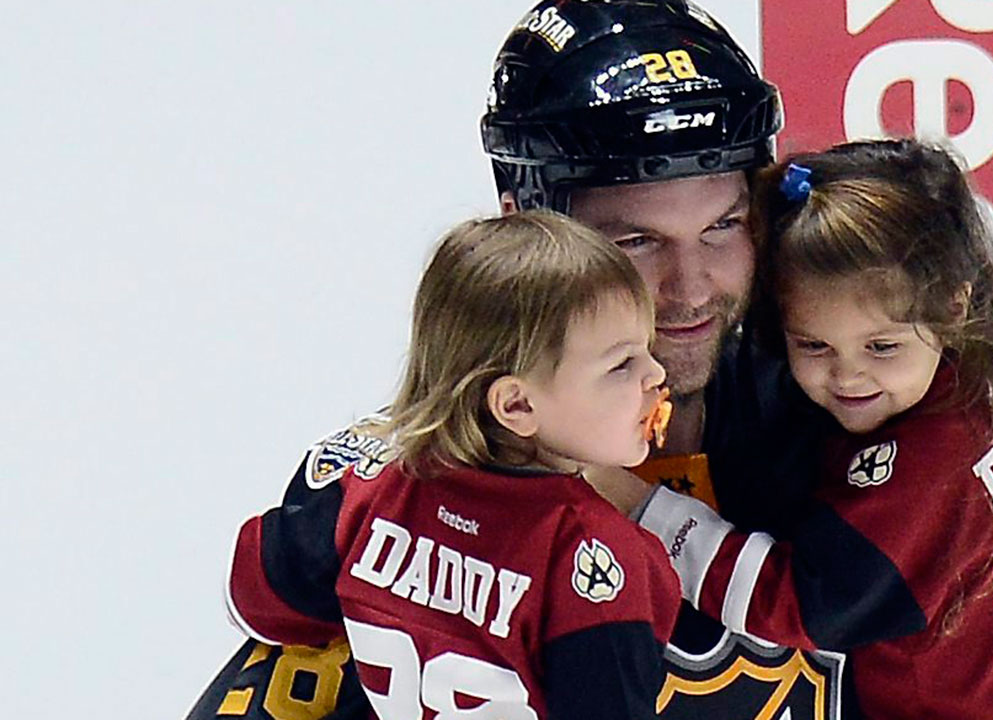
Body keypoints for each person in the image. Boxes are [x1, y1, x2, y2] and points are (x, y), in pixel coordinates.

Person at [185, 2, 842, 719]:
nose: (690, 291)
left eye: (722, 228)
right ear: (527, 235)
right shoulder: (414, 490)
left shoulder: (856, 423)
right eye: (634, 244)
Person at [597, 138, 993, 719]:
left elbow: (796, 606)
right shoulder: (973, 387)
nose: (848, 375)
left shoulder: (928, 467)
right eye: (813, 345)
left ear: (953, 306)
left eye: (881, 346)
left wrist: (638, 501)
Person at [224, 211, 680, 720]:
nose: (655, 373)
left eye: (646, 349)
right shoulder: (594, 554)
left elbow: (256, 598)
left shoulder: (370, 491)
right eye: (622, 364)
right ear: (517, 406)